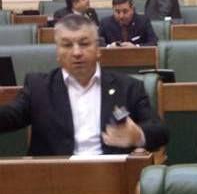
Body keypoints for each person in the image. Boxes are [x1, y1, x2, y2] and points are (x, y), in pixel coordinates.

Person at [0, 14, 168, 155]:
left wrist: (138, 135)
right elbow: (9, 117)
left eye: (84, 43)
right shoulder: (39, 87)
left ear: (98, 49)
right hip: (53, 177)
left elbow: (160, 131)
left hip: (112, 176)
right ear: (57, 52)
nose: (76, 52)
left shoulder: (128, 87)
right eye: (67, 45)